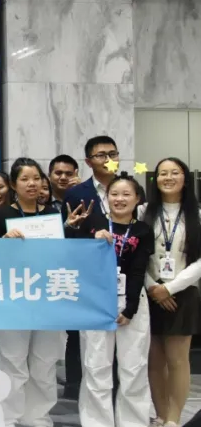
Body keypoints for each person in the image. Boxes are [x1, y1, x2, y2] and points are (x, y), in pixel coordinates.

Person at [0, 157, 80, 427]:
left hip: (47, 297)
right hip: (13, 298)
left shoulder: (53, 214)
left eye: (36, 178)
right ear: (13, 184)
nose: (32, 184)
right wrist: (3, 243)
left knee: (45, 360)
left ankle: (39, 417)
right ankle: (6, 416)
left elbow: (64, 257)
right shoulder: (2, 215)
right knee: (12, 358)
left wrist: (69, 230)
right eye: (25, 179)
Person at [68, 174, 153, 427]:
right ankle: (98, 425)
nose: (120, 199)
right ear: (107, 197)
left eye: (127, 194)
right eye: (115, 194)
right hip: (96, 300)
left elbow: (139, 270)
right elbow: (73, 252)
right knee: (96, 363)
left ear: (137, 199)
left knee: (134, 364)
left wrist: (131, 308)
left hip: (131, 301)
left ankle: (133, 426)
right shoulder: (94, 222)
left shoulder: (143, 230)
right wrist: (91, 236)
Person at [141, 158, 201, 427]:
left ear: (185, 179)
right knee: (154, 359)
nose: (168, 177)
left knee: (177, 359)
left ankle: (174, 420)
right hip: (149, 292)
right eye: (163, 173)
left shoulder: (197, 214)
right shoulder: (143, 212)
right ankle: (160, 415)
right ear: (155, 180)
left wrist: (172, 288)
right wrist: (153, 286)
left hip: (183, 293)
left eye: (174, 173)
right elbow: (135, 255)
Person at [63, 136, 120, 403]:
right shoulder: (77, 193)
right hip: (89, 275)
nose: (108, 159)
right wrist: (80, 230)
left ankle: (118, 394)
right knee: (88, 342)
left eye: (112, 153)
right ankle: (83, 392)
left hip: (123, 273)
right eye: (101, 155)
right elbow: (68, 238)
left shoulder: (129, 188)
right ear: (88, 162)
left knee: (124, 341)